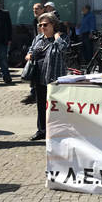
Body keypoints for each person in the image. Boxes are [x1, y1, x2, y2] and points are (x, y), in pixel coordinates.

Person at [26, 12, 68, 141]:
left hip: (54, 76)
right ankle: (41, 130)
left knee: (55, 106)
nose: (42, 27)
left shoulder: (61, 37)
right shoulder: (38, 38)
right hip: (38, 75)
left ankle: (57, 130)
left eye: (45, 25)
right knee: (41, 104)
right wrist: (29, 55)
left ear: (53, 25)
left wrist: (56, 37)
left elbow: (64, 48)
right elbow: (31, 49)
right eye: (40, 25)